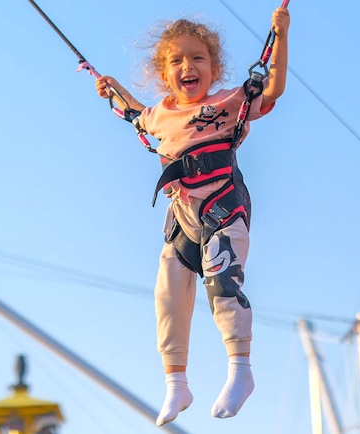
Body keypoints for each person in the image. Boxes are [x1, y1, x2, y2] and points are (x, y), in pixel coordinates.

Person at [95, 6, 290, 426]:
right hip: (182, 216)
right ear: (165, 75)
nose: (189, 66)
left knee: (222, 283)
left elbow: (271, 89)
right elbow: (137, 114)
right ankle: (176, 384)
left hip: (223, 207)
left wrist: (281, 36)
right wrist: (114, 89)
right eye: (177, 60)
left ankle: (241, 370)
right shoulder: (160, 114)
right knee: (167, 296)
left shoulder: (228, 102)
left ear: (214, 67)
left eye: (198, 57)